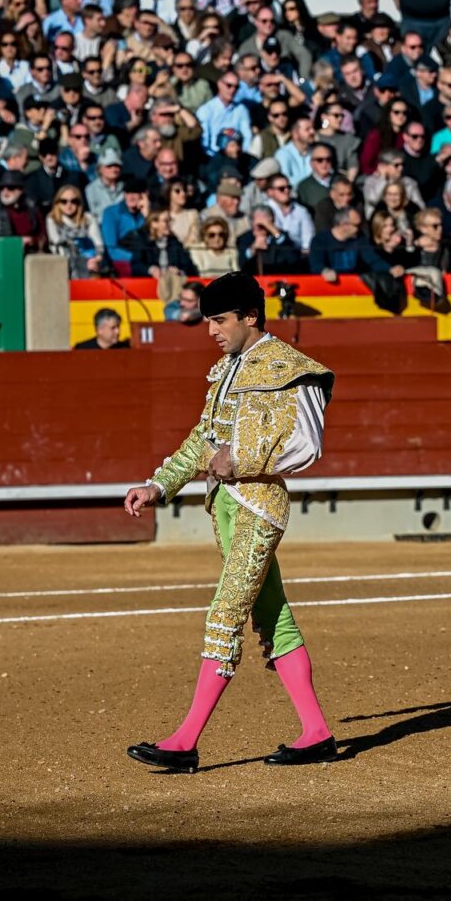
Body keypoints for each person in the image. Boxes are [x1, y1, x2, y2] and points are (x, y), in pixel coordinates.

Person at [125, 272, 338, 773]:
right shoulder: (226, 370)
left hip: (258, 509)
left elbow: (307, 446)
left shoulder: (291, 367)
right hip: (225, 507)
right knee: (273, 618)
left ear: (250, 316)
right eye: (208, 321)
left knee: (225, 615)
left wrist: (239, 461)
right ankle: (317, 732)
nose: (211, 331)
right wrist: (159, 485)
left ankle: (184, 741)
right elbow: (204, 439)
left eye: (219, 321)